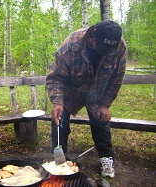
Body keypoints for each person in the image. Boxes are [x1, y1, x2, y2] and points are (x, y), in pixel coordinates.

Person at [46, 20, 127, 178]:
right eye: (102, 48)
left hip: (98, 91)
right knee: (59, 121)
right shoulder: (69, 46)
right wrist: (57, 102)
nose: (106, 53)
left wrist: (105, 104)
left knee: (101, 123)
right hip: (72, 90)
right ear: (92, 35)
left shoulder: (119, 45)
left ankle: (106, 159)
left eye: (109, 50)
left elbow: (117, 77)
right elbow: (55, 78)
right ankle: (59, 160)